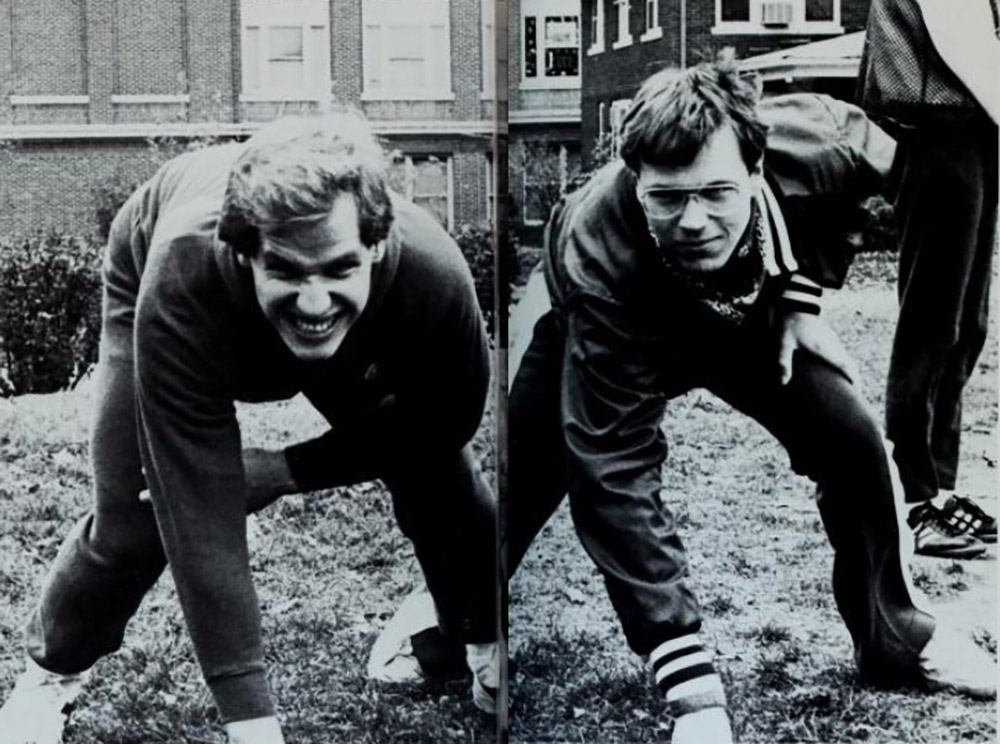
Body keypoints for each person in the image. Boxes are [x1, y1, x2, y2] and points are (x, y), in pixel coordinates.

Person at [506, 61, 996, 744]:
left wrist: (798, 294)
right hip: (608, 322)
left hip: (746, 316)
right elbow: (617, 473)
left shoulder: (828, 140)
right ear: (633, 178)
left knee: (851, 441)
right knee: (524, 479)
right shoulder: (599, 252)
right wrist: (693, 689)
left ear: (758, 166)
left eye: (717, 192)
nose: (696, 221)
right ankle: (451, 622)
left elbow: (881, 181)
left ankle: (894, 636)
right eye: (667, 198)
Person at [0, 109, 498, 744]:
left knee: (436, 472)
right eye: (287, 270)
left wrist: (289, 470)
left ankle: (481, 638)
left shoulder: (432, 271)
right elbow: (198, 509)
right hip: (167, 277)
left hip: (332, 317)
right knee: (136, 514)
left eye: (340, 269)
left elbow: (445, 422)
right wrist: (254, 728)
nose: (315, 301)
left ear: (375, 244)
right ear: (243, 251)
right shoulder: (184, 266)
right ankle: (49, 675)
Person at [858, 0, 999, 559]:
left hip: (972, 134)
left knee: (966, 322)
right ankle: (915, 499)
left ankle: (941, 484)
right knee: (932, 322)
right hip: (936, 136)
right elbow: (968, 51)